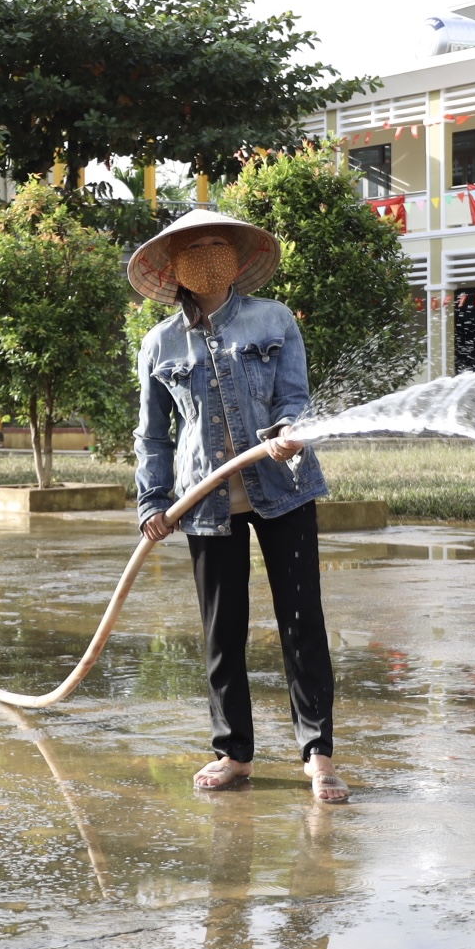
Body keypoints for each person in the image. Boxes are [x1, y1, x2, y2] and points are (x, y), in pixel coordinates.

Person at [132, 209, 348, 804]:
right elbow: (152, 435)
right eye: (194, 246)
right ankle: (233, 753)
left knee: (303, 622)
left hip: (283, 488)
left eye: (218, 244)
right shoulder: (160, 343)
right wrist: (153, 499)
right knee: (222, 631)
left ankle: (319, 756)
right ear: (173, 264)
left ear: (235, 257)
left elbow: (294, 399)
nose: (208, 253)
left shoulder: (273, 320)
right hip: (204, 501)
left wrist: (288, 432)